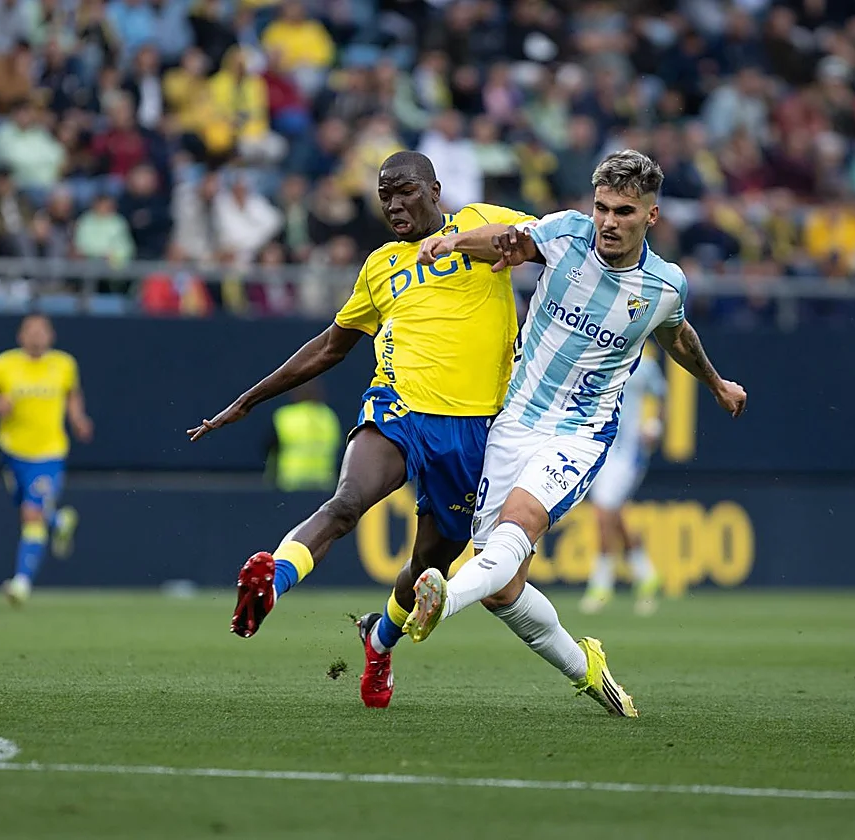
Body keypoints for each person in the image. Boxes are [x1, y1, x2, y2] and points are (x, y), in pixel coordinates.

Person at [392, 150, 747, 717]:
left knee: (519, 526)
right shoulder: (565, 234)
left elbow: (676, 336)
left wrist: (716, 383)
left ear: (651, 216)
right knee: (505, 590)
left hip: (578, 432)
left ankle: (443, 599)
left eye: (624, 211)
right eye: (602, 207)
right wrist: (454, 242)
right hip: (513, 421)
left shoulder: (664, 286)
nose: (608, 221)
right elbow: (511, 240)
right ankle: (589, 671)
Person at [187, 152, 534, 689]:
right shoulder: (380, 266)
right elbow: (330, 347)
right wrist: (248, 400)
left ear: (436, 189)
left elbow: (543, 243)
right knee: (347, 503)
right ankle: (271, 582)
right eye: (384, 196)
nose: (394, 205)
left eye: (405, 192)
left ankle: (379, 642)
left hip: (472, 430)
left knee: (427, 571)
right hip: (398, 407)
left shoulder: (480, 224)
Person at [0, 314, 94, 605]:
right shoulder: (4, 364)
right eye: (31, 331)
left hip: (49, 453)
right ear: (20, 336)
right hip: (13, 453)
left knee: (31, 514)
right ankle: (60, 519)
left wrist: (77, 418)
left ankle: (22, 583)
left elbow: (72, 394)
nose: (37, 336)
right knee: (32, 512)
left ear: (51, 336)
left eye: (42, 331)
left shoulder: (64, 364)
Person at [580, 343, 667, 616]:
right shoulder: (598, 357)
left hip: (628, 452)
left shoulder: (644, 364)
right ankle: (646, 574)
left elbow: (662, 395)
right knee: (613, 514)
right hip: (600, 448)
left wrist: (655, 424)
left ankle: (601, 585)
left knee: (603, 510)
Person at [266, 381, 343, 492]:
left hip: (291, 482)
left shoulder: (286, 416)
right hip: (322, 482)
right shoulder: (328, 416)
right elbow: (339, 446)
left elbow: (270, 447)